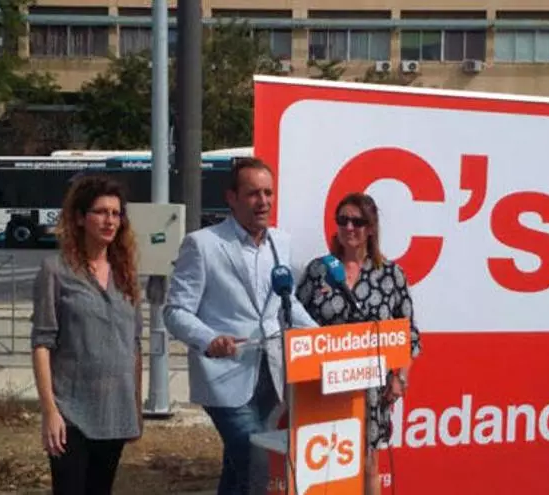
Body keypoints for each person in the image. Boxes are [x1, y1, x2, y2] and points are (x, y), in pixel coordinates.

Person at [164, 157, 318, 495]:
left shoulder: (281, 243)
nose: (263, 202)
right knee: (254, 461)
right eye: (253, 193)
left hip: (272, 376)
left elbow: (288, 304)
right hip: (224, 378)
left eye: (268, 193)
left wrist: (322, 337)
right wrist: (209, 339)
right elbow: (175, 311)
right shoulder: (202, 244)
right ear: (231, 198)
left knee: (238, 469)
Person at [295, 192, 422, 495]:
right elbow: (295, 322)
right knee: (322, 466)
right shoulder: (319, 271)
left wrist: (400, 378)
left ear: (371, 228)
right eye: (343, 220)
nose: (349, 227)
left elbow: (408, 335)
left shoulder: (391, 275)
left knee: (368, 465)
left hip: (369, 389)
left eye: (357, 221)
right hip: (321, 385)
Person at [30, 174, 143, 495]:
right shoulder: (55, 270)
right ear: (80, 218)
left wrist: (135, 409)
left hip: (116, 412)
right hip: (71, 413)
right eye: (101, 212)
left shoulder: (126, 274)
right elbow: (42, 344)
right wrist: (50, 412)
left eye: (116, 213)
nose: (110, 221)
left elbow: (134, 347)